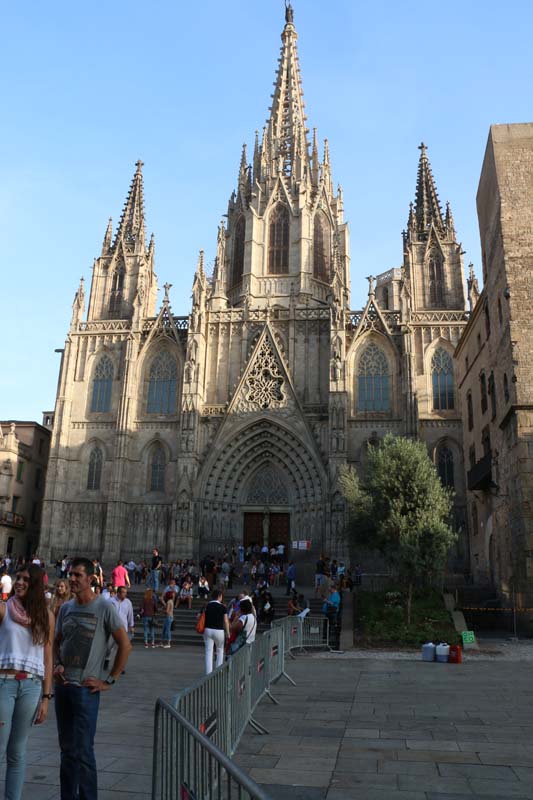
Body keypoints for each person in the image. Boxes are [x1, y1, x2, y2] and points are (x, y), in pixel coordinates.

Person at [54, 556, 132, 799]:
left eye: (78, 575)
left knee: (84, 752)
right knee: (67, 751)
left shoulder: (104, 607)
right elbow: (55, 643)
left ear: (91, 579)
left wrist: (109, 680)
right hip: (64, 688)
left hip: (86, 691)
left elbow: (125, 645)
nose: (72, 579)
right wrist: (57, 664)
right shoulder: (65, 608)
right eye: (71, 574)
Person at [0, 564, 54, 800]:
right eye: (17, 578)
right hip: (4, 683)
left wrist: (46, 697)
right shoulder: (3, 609)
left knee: (17, 752)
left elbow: (48, 658)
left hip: (32, 686)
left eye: (25, 579)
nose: (19, 583)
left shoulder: (47, 616)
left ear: (35, 585)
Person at [203, 589, 229, 675]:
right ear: (219, 596)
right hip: (219, 631)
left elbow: (200, 616)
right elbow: (225, 621)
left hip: (208, 630)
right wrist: (228, 633)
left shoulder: (207, 605)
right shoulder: (223, 607)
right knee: (220, 650)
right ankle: (218, 670)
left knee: (208, 651)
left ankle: (208, 673)